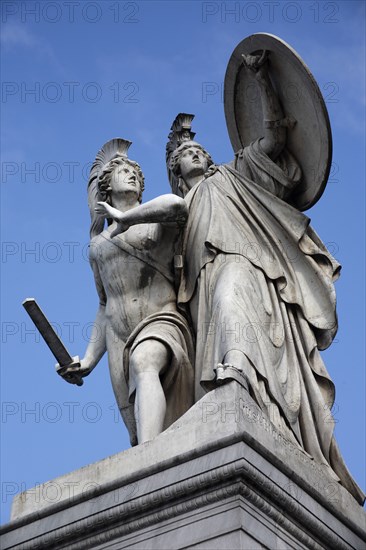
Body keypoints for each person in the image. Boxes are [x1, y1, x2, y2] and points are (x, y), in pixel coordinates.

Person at [164, 53, 365, 504]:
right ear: (176, 172)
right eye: (183, 155)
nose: (193, 154)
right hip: (201, 286)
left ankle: (237, 374)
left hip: (247, 266)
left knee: (233, 298)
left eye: (197, 149)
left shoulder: (234, 173)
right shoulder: (177, 213)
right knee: (216, 315)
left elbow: (275, 134)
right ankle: (239, 393)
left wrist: (260, 78)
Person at [59, 139, 194, 446]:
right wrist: (89, 360)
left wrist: (126, 218)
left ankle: (148, 460)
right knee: (138, 426)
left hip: (162, 319)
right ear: (105, 188)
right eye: (123, 170)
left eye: (136, 172)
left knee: (144, 361)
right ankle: (147, 460)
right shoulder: (97, 247)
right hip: (119, 339)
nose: (133, 174)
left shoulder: (152, 221)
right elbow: (105, 304)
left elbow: (178, 206)